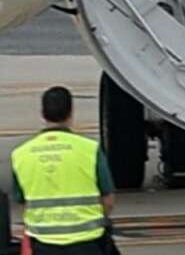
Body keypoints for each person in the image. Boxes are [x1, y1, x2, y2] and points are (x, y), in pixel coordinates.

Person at [10, 87, 115, 254]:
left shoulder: (21, 154)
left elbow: (22, 201)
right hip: (87, 243)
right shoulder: (89, 149)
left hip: (43, 245)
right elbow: (108, 200)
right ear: (71, 112)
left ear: (42, 113)